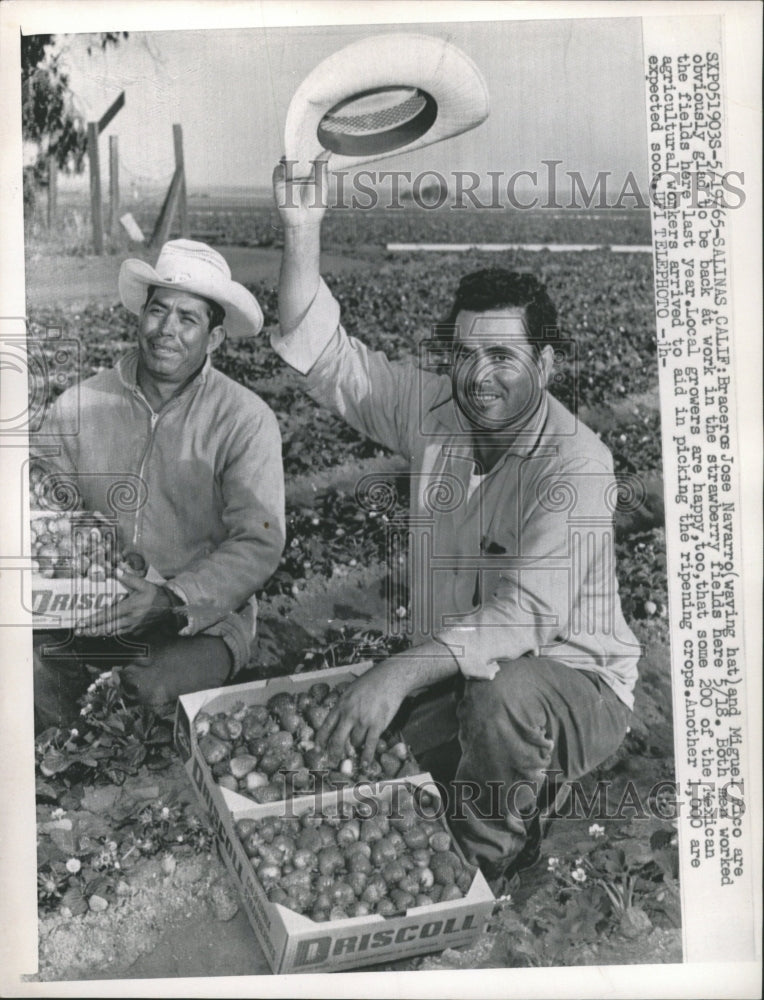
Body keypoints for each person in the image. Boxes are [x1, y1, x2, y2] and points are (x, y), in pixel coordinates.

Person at [271, 160, 641, 885]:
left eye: (503, 356)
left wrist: (398, 671)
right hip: (465, 679)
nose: (480, 376)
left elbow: (526, 616)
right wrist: (301, 228)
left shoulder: (576, 463)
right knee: (383, 763)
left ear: (547, 362)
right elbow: (326, 357)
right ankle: (500, 781)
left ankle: (487, 866)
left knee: (507, 702)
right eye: (466, 355)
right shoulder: (437, 413)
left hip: (573, 683)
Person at [32, 239, 285, 731]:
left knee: (146, 694)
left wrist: (171, 600)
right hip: (92, 603)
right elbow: (40, 493)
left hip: (199, 617)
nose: (167, 331)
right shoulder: (81, 404)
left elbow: (258, 543)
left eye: (188, 319)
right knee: (26, 671)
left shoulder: (244, 420)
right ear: (141, 315)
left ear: (213, 338)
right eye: (158, 311)